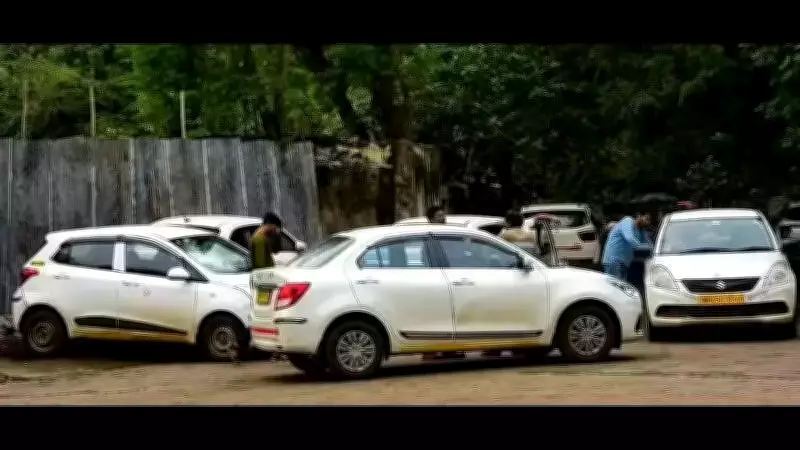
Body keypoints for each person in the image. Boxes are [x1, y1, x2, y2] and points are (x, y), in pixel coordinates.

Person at [601, 211, 652, 282]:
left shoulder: (640, 230)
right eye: (646, 219)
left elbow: (649, 245)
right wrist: (646, 249)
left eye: (649, 221)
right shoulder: (627, 221)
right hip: (614, 260)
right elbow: (629, 238)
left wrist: (652, 251)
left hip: (624, 262)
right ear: (639, 215)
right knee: (616, 287)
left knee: (621, 288)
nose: (648, 222)